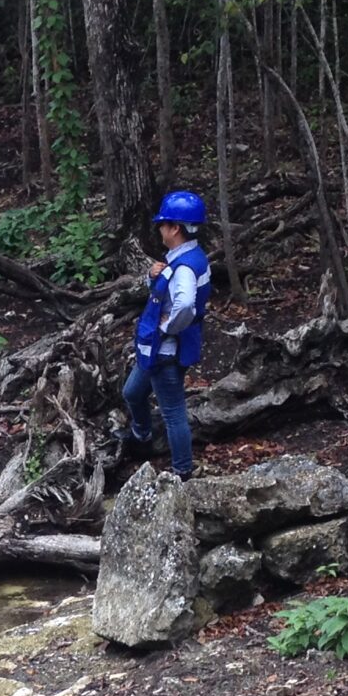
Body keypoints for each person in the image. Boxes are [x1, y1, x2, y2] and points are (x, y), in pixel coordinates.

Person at [121, 190, 213, 479]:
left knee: (173, 413)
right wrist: (153, 277)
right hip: (155, 349)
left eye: (163, 224)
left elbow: (185, 304)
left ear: (175, 228)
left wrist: (166, 327)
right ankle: (141, 435)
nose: (159, 229)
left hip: (165, 351)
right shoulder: (188, 258)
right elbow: (171, 294)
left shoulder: (185, 267)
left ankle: (182, 471)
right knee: (132, 392)